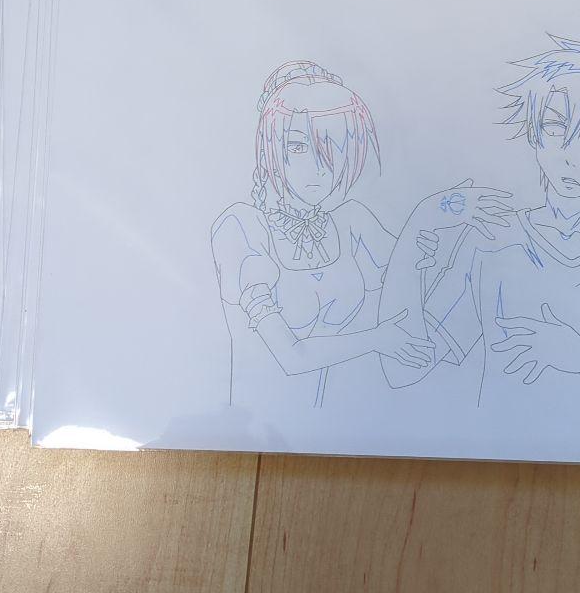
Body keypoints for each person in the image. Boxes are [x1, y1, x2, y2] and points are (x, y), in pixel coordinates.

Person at [379, 36, 580, 423]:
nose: (570, 152)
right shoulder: (491, 240)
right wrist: (417, 229)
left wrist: (579, 357)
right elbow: (403, 368)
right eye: (555, 125)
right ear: (533, 134)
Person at [210, 61, 507, 411]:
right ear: (269, 149)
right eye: (298, 147)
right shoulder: (242, 226)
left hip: (337, 426)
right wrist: (378, 339)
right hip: (255, 427)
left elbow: (410, 291)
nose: (319, 167)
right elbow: (291, 357)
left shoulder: (351, 221)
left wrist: (435, 217)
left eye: (332, 148)